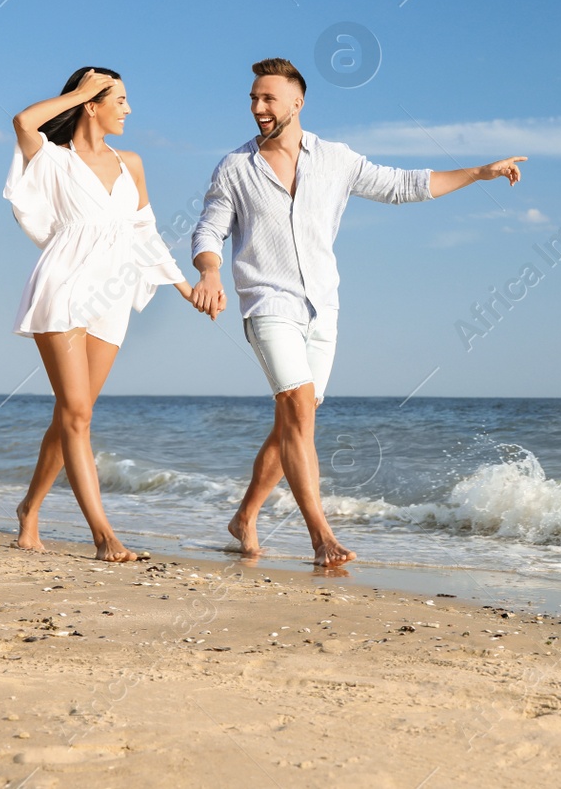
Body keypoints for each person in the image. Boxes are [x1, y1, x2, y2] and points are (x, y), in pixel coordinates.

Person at [190, 57, 525, 567]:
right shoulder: (236, 167)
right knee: (299, 410)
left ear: (297, 102)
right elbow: (208, 229)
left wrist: (479, 172)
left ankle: (244, 517)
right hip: (268, 302)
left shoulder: (335, 158)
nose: (258, 107)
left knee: (292, 422)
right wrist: (210, 271)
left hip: (323, 308)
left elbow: (403, 185)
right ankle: (321, 536)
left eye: (268, 98)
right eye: (253, 98)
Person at [5, 67, 205, 562]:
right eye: (119, 99)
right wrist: (77, 92)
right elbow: (24, 121)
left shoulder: (131, 162)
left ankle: (29, 508)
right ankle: (103, 535)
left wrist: (185, 287)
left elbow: (144, 232)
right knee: (76, 414)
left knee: (75, 413)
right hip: (64, 287)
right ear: (92, 103)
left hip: (112, 295)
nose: (128, 109)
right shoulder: (52, 160)